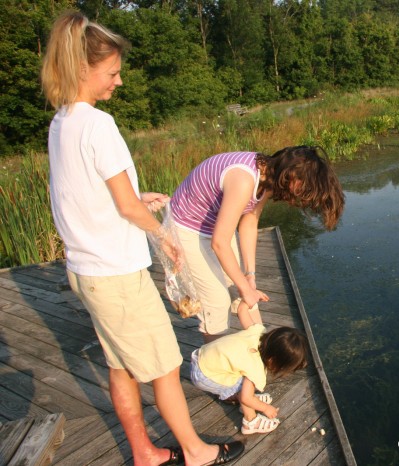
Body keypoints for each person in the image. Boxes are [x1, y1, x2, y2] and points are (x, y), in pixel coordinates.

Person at [41, 11, 243, 466]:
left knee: (120, 364)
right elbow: (127, 208)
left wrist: (137, 199)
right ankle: (196, 452)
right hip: (117, 276)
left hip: (86, 272)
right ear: (81, 69)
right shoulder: (98, 124)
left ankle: (145, 452)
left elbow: (91, 193)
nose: (118, 82)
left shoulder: (62, 122)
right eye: (111, 72)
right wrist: (166, 238)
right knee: (166, 367)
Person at [169, 146, 344, 343]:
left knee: (245, 287)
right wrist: (244, 287)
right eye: (304, 188)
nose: (302, 196)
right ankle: (213, 365)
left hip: (211, 226)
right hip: (184, 229)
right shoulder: (244, 179)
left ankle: (261, 346)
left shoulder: (267, 175)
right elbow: (219, 243)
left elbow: (249, 221)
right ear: (291, 174)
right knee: (217, 301)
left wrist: (249, 276)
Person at [190, 299, 309, 435]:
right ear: (274, 361)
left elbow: (242, 310)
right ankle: (251, 421)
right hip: (205, 375)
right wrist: (265, 408)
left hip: (201, 357)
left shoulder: (258, 332)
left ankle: (243, 400)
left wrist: (251, 298)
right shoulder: (255, 368)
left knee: (245, 385)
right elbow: (246, 397)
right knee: (244, 389)